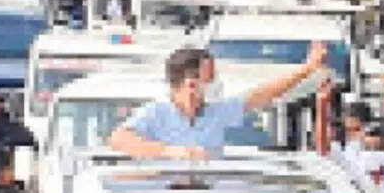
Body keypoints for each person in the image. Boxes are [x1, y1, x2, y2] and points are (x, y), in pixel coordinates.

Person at [109, 44, 328, 160]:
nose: (215, 83)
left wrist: (306, 69)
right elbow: (119, 139)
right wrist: (171, 152)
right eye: (210, 78)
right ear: (191, 83)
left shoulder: (216, 112)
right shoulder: (155, 113)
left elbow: (263, 94)